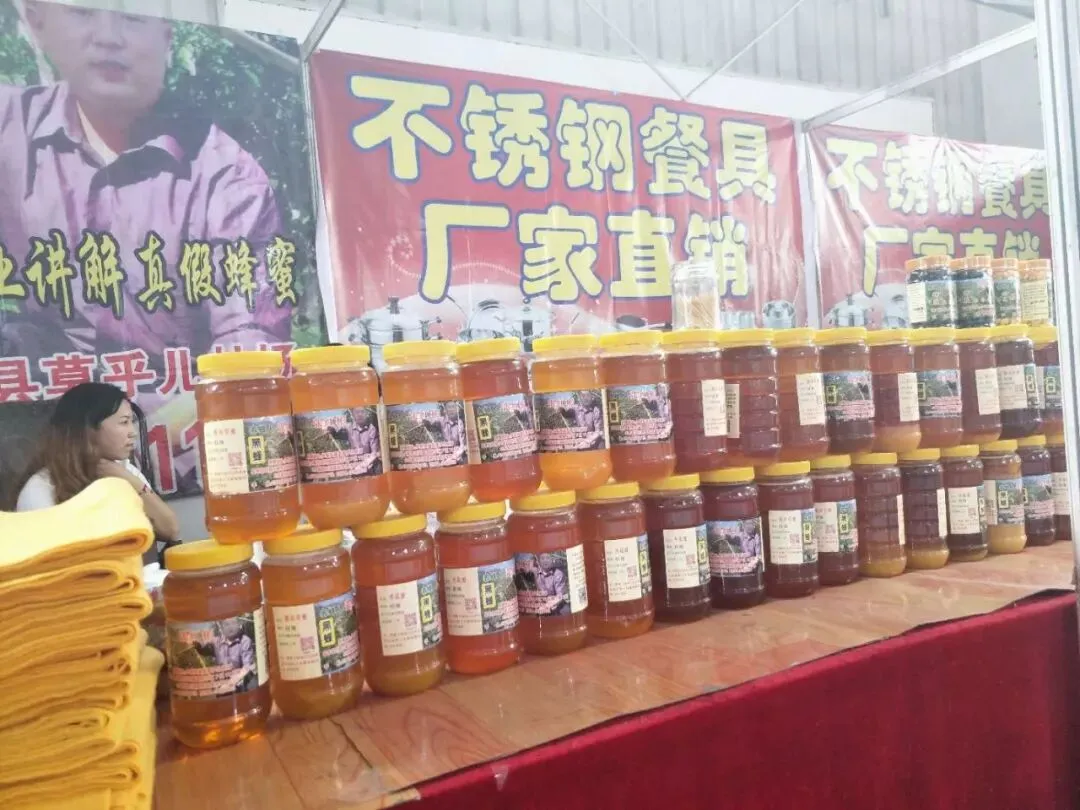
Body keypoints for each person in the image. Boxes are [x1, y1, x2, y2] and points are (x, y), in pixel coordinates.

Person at [13, 382, 180, 543]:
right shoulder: (40, 489)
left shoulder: (122, 469)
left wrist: (131, 481)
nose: (133, 432)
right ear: (88, 429)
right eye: (124, 422)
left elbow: (170, 531)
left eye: (131, 422)